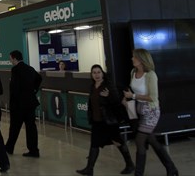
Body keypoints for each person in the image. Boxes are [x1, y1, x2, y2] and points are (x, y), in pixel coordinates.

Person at [123, 48, 179, 176]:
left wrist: (133, 96)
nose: (132, 59)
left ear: (141, 59)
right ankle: (171, 168)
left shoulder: (151, 75)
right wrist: (126, 98)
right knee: (152, 140)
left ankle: (139, 173)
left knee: (139, 140)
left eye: (134, 57)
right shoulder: (133, 72)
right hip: (139, 111)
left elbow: (153, 97)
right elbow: (132, 90)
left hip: (151, 112)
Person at [76, 64, 134, 176]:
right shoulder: (93, 86)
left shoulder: (108, 86)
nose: (96, 75)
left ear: (103, 73)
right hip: (97, 121)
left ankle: (130, 164)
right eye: (94, 73)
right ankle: (89, 169)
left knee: (118, 142)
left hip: (109, 121)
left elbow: (117, 102)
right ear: (91, 75)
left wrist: (108, 96)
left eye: (98, 72)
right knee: (94, 144)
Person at [5, 50, 42, 158]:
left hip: (19, 104)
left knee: (14, 127)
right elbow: (39, 78)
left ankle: (9, 147)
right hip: (30, 102)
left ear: (14, 58)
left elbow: (14, 88)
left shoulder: (15, 70)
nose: (10, 60)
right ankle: (34, 150)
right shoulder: (29, 68)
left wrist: (12, 102)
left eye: (10, 58)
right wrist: (34, 90)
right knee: (31, 127)